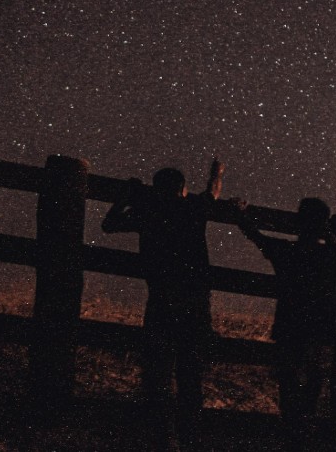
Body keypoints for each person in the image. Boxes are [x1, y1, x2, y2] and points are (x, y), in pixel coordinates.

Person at [102, 158, 225, 451]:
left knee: (158, 373)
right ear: (182, 189)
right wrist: (216, 173)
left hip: (161, 300)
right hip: (194, 303)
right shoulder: (193, 207)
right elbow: (213, 192)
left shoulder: (148, 211)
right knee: (190, 374)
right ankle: (189, 438)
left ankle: (162, 439)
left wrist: (125, 197)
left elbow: (109, 224)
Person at [234, 197, 336, 450]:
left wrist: (240, 215)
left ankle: (293, 439)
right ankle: (303, 438)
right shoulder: (331, 257)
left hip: (289, 329)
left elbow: (257, 238)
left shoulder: (287, 251)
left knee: (290, 389)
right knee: (311, 389)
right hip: (318, 331)